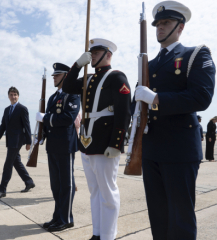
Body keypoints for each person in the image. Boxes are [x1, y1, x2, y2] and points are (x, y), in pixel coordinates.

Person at [133, 1, 215, 239]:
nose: (159, 27)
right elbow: (137, 105)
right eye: (157, 23)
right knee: (158, 218)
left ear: (180, 26)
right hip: (151, 149)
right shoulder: (148, 65)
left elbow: (201, 97)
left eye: (166, 22)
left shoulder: (195, 54)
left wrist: (157, 98)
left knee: (181, 221)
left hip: (179, 149)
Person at [62, 39, 131, 240]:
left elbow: (123, 112)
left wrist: (117, 143)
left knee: (108, 193)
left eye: (97, 52)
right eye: (91, 52)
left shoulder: (116, 77)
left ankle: (108, 236)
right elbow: (66, 86)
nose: (92, 55)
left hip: (105, 144)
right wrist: (76, 66)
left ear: (108, 54)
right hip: (88, 143)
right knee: (94, 192)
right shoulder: (88, 79)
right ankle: (97, 233)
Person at [36, 63, 80, 232]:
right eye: (53, 75)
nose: (54, 77)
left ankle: (66, 218)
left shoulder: (73, 95)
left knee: (67, 184)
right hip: (53, 145)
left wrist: (45, 118)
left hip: (66, 145)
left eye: (57, 75)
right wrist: (41, 135)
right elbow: (47, 122)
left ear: (66, 76)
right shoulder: (53, 97)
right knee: (56, 184)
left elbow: (68, 117)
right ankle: (57, 216)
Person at [0, 87, 34, 199]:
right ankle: (29, 181)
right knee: (16, 162)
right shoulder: (6, 110)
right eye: (11, 94)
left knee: (8, 164)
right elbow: (3, 126)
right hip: (10, 140)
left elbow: (27, 125)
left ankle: (2, 189)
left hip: (18, 140)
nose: (13, 96)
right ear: (8, 96)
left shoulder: (22, 108)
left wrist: (29, 141)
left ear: (18, 96)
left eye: (15, 94)